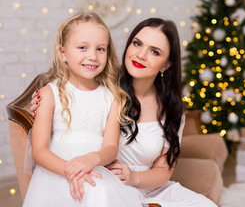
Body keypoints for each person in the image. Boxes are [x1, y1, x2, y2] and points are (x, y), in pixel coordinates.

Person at [30, 18, 217, 207]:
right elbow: (68, 90)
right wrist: (39, 105)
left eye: (154, 51)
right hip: (101, 184)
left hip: (146, 186)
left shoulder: (173, 109)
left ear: (166, 64)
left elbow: (163, 170)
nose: (141, 55)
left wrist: (133, 177)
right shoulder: (103, 84)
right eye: (137, 44)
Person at [23, 12, 143, 207]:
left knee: (99, 194)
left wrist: (91, 160)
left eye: (100, 49)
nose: (93, 57)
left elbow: (111, 148)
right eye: (82, 47)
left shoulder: (111, 97)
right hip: (56, 172)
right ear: (63, 53)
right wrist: (71, 171)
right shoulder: (49, 94)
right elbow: (39, 150)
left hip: (96, 169)